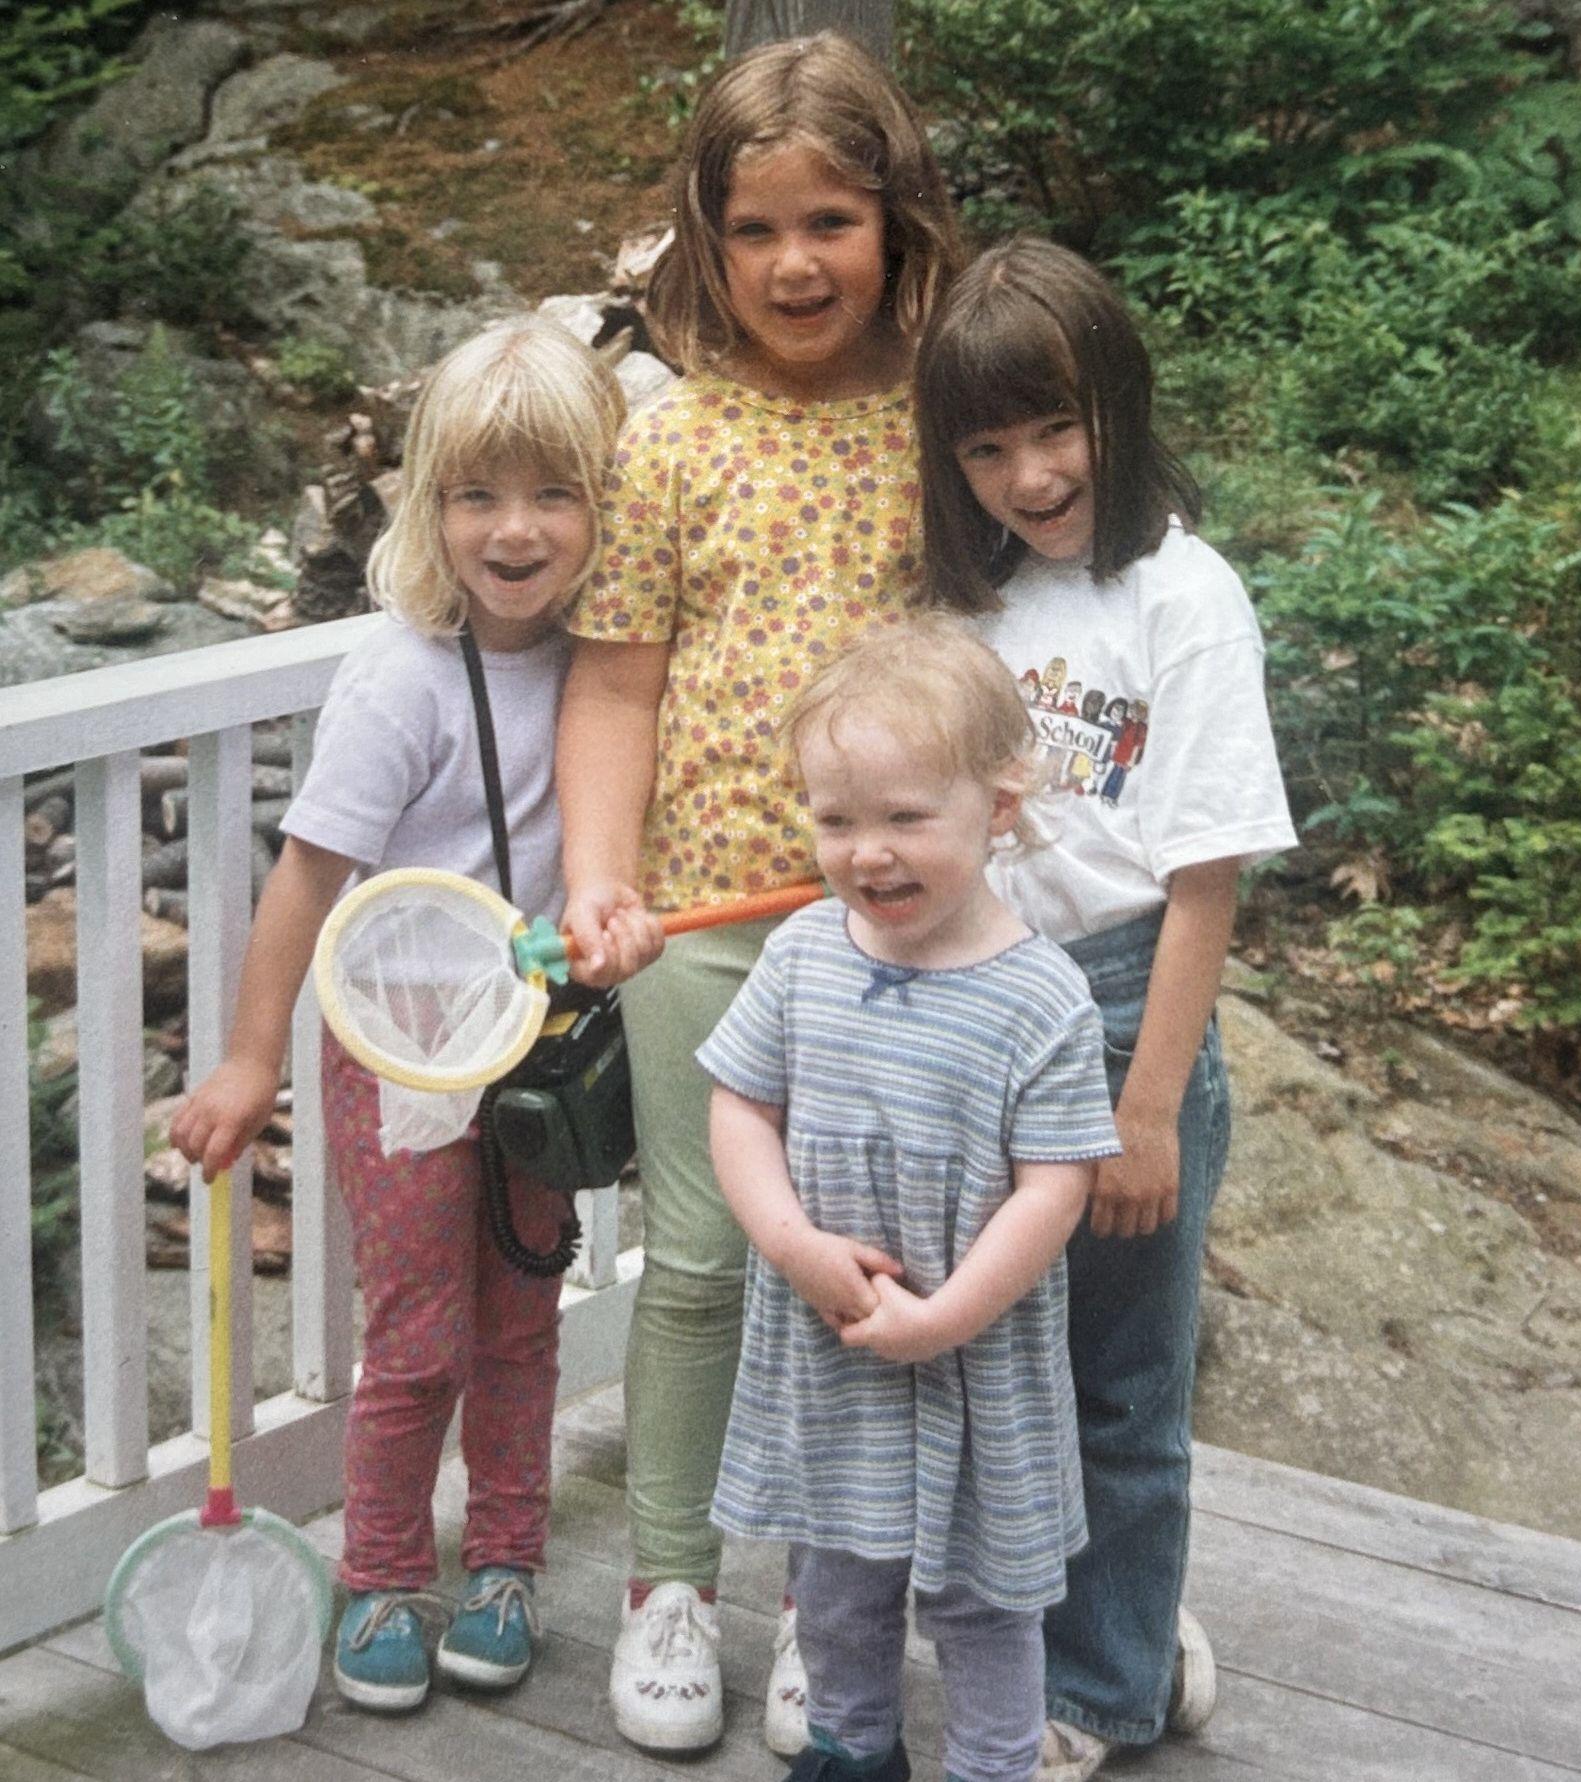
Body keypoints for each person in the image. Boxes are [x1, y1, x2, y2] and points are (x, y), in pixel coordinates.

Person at [553, 31, 961, 1754]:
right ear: (705, 247)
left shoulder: (948, 425)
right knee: (703, 1265)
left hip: (891, 944)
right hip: (702, 939)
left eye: (834, 220)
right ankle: (664, 1585)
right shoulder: (672, 445)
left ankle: (826, 1607)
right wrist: (596, 877)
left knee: (853, 1273)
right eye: (757, 229)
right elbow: (616, 686)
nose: (798, 263)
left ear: (895, 223)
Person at [170, 316, 642, 1714]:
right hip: (399, 1044)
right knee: (423, 1326)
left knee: (522, 1317)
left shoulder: (610, 659)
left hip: (541, 1047)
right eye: (478, 494)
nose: (515, 529)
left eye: (555, 493)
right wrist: (254, 1057)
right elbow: (310, 870)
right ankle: (380, 1569)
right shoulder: (400, 674)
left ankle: (503, 1562)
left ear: (605, 506)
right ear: (430, 504)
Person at [914, 237, 1299, 1782]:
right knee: (992, 1358)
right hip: (983, 995)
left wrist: (1144, 1106)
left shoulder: (1184, 598)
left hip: (1130, 1006)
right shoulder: (976, 597)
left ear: (1117, 410)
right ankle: (1068, 1628)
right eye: (988, 445)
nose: (1028, 473)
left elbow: (1205, 879)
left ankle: (1108, 1683)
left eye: (1055, 429)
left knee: (1123, 1381)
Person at [699, 617, 1121, 1782]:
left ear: (997, 807)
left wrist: (944, 1319)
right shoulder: (799, 956)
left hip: (972, 1356)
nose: (866, 852)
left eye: (903, 818)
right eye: (835, 820)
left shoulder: (1041, 997)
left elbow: (1055, 1188)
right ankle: (847, 1749)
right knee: (833, 1585)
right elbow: (739, 1109)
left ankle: (991, 1764)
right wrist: (788, 1242)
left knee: (982, 1605)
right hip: (829, 1337)